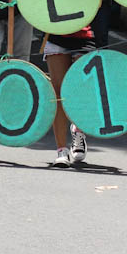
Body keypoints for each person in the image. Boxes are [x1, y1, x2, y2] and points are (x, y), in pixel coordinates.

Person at [44, 26, 95, 166]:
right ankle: (61, 151)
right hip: (56, 32)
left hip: (86, 35)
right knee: (59, 95)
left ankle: (78, 129)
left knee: (80, 91)